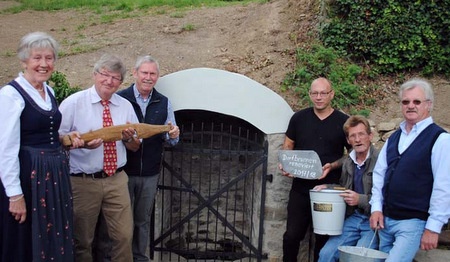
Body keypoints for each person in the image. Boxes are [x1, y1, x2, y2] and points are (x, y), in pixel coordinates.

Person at [0, 32, 83, 261]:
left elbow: (45, 131)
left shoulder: (49, 91)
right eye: (37, 58)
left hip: (53, 176)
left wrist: (64, 137)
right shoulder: (10, 95)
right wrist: (14, 195)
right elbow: (5, 149)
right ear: (24, 60)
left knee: (53, 233)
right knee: (26, 237)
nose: (44, 64)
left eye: (49, 58)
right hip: (29, 177)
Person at [59, 54, 140, 262]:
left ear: (120, 82)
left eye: (115, 78)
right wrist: (80, 142)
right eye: (105, 75)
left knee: (123, 236)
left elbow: (135, 146)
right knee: (82, 240)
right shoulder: (73, 103)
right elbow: (55, 140)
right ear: (95, 75)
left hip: (116, 179)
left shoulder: (125, 106)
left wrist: (128, 139)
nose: (109, 81)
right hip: (84, 181)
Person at [369, 78, 450, 262]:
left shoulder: (440, 139)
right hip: (386, 222)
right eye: (405, 101)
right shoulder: (393, 138)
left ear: (428, 105)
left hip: (413, 223)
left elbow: (444, 187)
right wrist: (376, 208)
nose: (410, 106)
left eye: (416, 101)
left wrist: (433, 227)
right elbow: (379, 175)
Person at [280, 77, 350, 262]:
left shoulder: (343, 121)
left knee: (324, 238)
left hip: (329, 191)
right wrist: (285, 163)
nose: (319, 97)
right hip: (300, 189)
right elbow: (288, 146)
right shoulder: (298, 118)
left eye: (323, 93)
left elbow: (352, 155)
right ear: (310, 94)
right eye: (315, 93)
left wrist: (333, 165)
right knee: (291, 236)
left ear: (331, 94)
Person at [315, 115, 380, 262]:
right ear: (348, 140)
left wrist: (360, 199)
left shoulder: (381, 160)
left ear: (370, 135)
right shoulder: (348, 162)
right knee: (326, 254)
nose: (358, 140)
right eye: (353, 136)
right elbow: (345, 188)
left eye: (361, 134)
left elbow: (386, 197)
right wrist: (328, 187)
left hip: (373, 220)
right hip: (353, 217)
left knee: (358, 259)